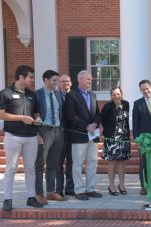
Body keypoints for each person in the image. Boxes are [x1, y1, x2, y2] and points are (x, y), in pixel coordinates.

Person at [0, 65, 44, 211]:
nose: (33, 80)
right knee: (11, 168)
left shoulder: (32, 95)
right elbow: (0, 114)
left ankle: (31, 197)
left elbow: (36, 113)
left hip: (31, 137)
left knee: (30, 169)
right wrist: (21, 118)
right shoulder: (5, 93)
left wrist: (38, 120)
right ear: (21, 77)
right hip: (13, 136)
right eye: (31, 77)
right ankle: (7, 199)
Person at [64, 70, 102, 201]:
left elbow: (97, 113)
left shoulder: (93, 95)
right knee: (78, 163)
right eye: (88, 79)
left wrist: (95, 123)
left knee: (93, 162)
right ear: (79, 79)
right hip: (79, 134)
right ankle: (78, 190)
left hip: (93, 134)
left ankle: (90, 189)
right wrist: (86, 126)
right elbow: (71, 115)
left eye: (91, 80)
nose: (90, 82)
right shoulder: (72, 95)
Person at [35, 70, 66, 204]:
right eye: (54, 80)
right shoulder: (37, 95)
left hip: (58, 131)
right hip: (44, 131)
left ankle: (51, 192)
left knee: (53, 163)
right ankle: (39, 193)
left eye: (57, 81)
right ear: (45, 80)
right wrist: (36, 132)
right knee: (40, 164)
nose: (56, 83)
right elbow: (33, 113)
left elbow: (61, 113)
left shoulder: (58, 94)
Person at [101, 87, 131, 196]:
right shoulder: (107, 106)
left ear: (121, 94)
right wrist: (111, 130)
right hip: (112, 138)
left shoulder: (126, 104)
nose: (116, 96)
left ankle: (121, 185)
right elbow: (103, 120)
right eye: (114, 94)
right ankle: (111, 185)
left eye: (118, 94)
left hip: (124, 138)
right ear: (111, 96)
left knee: (122, 162)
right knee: (112, 162)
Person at [132, 80, 151, 195]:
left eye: (147, 88)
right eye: (143, 89)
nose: (146, 91)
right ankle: (144, 186)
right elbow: (135, 122)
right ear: (140, 90)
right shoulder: (137, 103)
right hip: (143, 139)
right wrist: (137, 138)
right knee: (144, 163)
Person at [56, 74, 74, 197]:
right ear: (58, 83)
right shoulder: (55, 96)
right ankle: (59, 189)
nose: (65, 83)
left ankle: (70, 188)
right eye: (63, 81)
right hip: (58, 135)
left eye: (67, 81)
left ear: (71, 83)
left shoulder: (75, 96)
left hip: (73, 134)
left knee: (72, 163)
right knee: (58, 162)